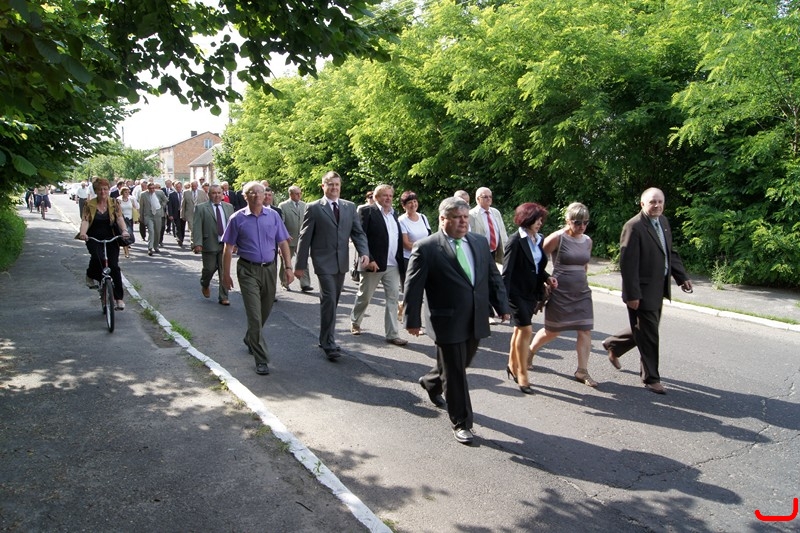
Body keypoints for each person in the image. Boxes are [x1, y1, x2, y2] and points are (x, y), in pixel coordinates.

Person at [405, 197, 511, 445]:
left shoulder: (479, 242)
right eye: (457, 217)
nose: (463, 222)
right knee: (455, 373)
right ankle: (462, 422)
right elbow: (413, 287)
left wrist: (502, 305)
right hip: (446, 319)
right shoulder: (427, 247)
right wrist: (412, 319)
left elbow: (492, 276)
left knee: (461, 363)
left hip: (475, 316)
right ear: (443, 219)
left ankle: (431, 382)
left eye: (465, 217)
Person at [602, 188, 692, 394]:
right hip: (641, 290)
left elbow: (670, 253)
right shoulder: (633, 226)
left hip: (658, 287)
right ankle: (651, 378)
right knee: (650, 334)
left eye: (660, 201)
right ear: (642, 204)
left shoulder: (663, 222)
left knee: (646, 329)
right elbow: (628, 265)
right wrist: (632, 294)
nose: (657, 205)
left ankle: (614, 345)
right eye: (652, 202)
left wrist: (682, 277)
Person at [294, 171, 370, 360]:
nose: (334, 188)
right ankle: (329, 343)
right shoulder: (314, 208)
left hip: (341, 261)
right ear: (323, 186)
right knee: (329, 298)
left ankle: (324, 337)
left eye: (337, 184)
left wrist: (364, 252)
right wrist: (300, 265)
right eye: (330, 184)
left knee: (332, 300)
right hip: (322, 261)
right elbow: (305, 237)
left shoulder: (349, 207)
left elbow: (358, 233)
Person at [222, 181, 293, 375]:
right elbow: (228, 248)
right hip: (247, 270)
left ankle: (250, 337)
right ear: (245, 196)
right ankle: (261, 358)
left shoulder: (273, 216)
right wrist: (225, 275)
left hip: (269, 269)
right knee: (254, 314)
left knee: (265, 310)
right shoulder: (237, 218)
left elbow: (283, 242)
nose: (256, 195)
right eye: (251, 193)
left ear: (265, 195)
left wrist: (288, 267)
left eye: (259, 192)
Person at [528, 202, 597, 387]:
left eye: (585, 222)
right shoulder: (558, 238)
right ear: (568, 220)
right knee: (553, 331)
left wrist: (583, 280)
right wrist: (544, 280)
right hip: (560, 291)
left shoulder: (587, 241)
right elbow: (536, 259)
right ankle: (530, 351)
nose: (581, 226)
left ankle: (582, 370)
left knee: (585, 330)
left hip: (582, 292)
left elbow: (584, 265)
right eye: (577, 222)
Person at [502, 202, 557, 394]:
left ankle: (511, 365)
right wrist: (502, 302)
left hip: (531, 293)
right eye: (536, 220)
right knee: (526, 330)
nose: (540, 223)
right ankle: (522, 374)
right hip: (515, 294)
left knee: (519, 330)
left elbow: (537, 266)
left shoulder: (539, 239)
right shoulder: (515, 241)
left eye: (541, 219)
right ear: (526, 219)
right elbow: (506, 273)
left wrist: (547, 277)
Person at [350, 184, 408, 346]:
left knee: (393, 298)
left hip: (393, 264)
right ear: (376, 197)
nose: (388, 198)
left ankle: (392, 334)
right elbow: (360, 236)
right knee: (365, 296)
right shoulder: (367, 211)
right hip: (373, 263)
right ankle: (355, 321)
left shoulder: (394, 213)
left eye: (390, 195)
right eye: (384, 195)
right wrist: (369, 258)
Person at [78, 178, 130, 311]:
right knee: (98, 258)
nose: (103, 192)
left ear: (108, 190)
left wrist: (124, 231)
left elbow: (119, 218)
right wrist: (83, 233)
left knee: (114, 266)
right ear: (95, 191)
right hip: (93, 237)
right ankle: (91, 275)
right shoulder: (89, 204)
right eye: (100, 189)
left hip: (111, 236)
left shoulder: (114, 203)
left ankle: (118, 298)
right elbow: (85, 220)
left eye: (105, 189)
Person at [193, 184, 235, 305]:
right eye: (214, 193)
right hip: (209, 243)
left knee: (224, 270)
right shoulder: (201, 208)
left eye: (219, 193)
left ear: (222, 194)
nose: (216, 195)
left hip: (225, 244)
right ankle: (205, 283)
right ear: (209, 194)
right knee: (209, 269)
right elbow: (197, 226)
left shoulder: (229, 207)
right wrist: (197, 243)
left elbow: (233, 226)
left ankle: (223, 296)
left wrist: (235, 242)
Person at [397, 190, 431, 320]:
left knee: (425, 289)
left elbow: (429, 236)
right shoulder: (402, 220)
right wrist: (423, 247)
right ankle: (411, 320)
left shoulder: (423, 217)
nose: (413, 204)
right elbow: (406, 243)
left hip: (425, 257)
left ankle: (403, 305)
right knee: (412, 290)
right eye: (409, 202)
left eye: (415, 201)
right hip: (409, 259)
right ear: (404, 206)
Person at [277, 185, 312, 292]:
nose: (299, 195)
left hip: (302, 239)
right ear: (290, 194)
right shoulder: (283, 206)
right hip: (288, 239)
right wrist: (284, 235)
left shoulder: (304, 205)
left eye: (300, 193)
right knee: (286, 262)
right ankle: (285, 283)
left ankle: (305, 284)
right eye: (296, 193)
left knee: (303, 261)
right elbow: (281, 223)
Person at [469, 186, 508, 264]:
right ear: (478, 199)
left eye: (490, 196)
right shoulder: (471, 215)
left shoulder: (496, 212)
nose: (489, 199)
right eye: (485, 197)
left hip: (496, 253)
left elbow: (502, 231)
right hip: (480, 253)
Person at [138, 182, 168, 256]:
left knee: (157, 231)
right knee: (151, 231)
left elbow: (165, 200)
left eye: (153, 188)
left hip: (158, 214)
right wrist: (141, 217)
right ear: (147, 188)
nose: (152, 190)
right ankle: (150, 247)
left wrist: (161, 206)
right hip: (148, 215)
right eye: (150, 188)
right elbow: (141, 206)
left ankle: (156, 246)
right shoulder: (143, 194)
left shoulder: (160, 193)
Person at [117, 186, 139, 258]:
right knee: (125, 235)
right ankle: (126, 252)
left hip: (130, 219)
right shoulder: (119, 200)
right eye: (125, 192)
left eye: (128, 192)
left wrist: (136, 217)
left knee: (130, 235)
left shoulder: (131, 199)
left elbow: (135, 208)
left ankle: (125, 244)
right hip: (123, 219)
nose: (127, 194)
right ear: (122, 193)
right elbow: (117, 210)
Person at [167, 181, 184, 246]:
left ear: (181, 187)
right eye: (177, 187)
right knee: (178, 226)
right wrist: (170, 214)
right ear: (174, 187)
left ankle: (182, 238)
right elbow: (169, 205)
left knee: (182, 226)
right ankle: (179, 239)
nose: (178, 188)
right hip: (175, 213)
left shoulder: (184, 193)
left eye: (179, 187)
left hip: (183, 212)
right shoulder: (171, 194)